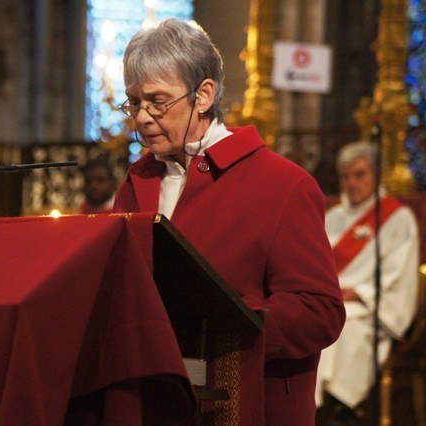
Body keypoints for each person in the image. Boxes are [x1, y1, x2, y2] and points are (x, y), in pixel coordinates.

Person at [112, 19, 345, 425]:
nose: (143, 117)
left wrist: (227, 328)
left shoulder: (282, 184)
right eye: (134, 103)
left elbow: (319, 311)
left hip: (249, 406)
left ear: (203, 95)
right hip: (155, 402)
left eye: (157, 101)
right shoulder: (138, 182)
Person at [315, 141, 419, 424]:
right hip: (331, 300)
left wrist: (360, 292)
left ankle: (346, 408)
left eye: (359, 174)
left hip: (372, 307)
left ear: (376, 175)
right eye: (345, 176)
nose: (351, 183)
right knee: (315, 318)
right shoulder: (332, 218)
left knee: (344, 323)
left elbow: (399, 272)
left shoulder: (397, 218)